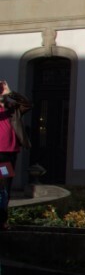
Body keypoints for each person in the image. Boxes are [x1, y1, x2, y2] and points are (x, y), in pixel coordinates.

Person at [0, 80, 31, 230]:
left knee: (4, 187)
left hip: (8, 155)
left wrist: (10, 92)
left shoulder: (12, 109)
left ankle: (2, 221)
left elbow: (27, 104)